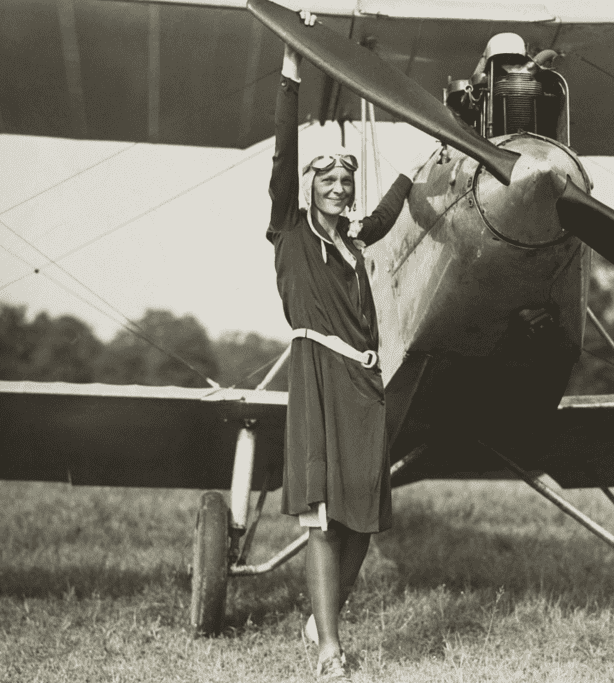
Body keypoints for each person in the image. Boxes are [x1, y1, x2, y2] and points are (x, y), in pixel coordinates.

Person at [267, 10, 425, 680]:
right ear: (310, 187)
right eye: (326, 178)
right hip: (319, 372)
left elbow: (394, 206)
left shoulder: (356, 240)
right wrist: (291, 69)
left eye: (344, 180)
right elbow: (283, 153)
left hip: (366, 382)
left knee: (363, 516)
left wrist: (429, 160)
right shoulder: (291, 231)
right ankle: (330, 648)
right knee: (325, 516)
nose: (337, 186)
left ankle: (321, 613)